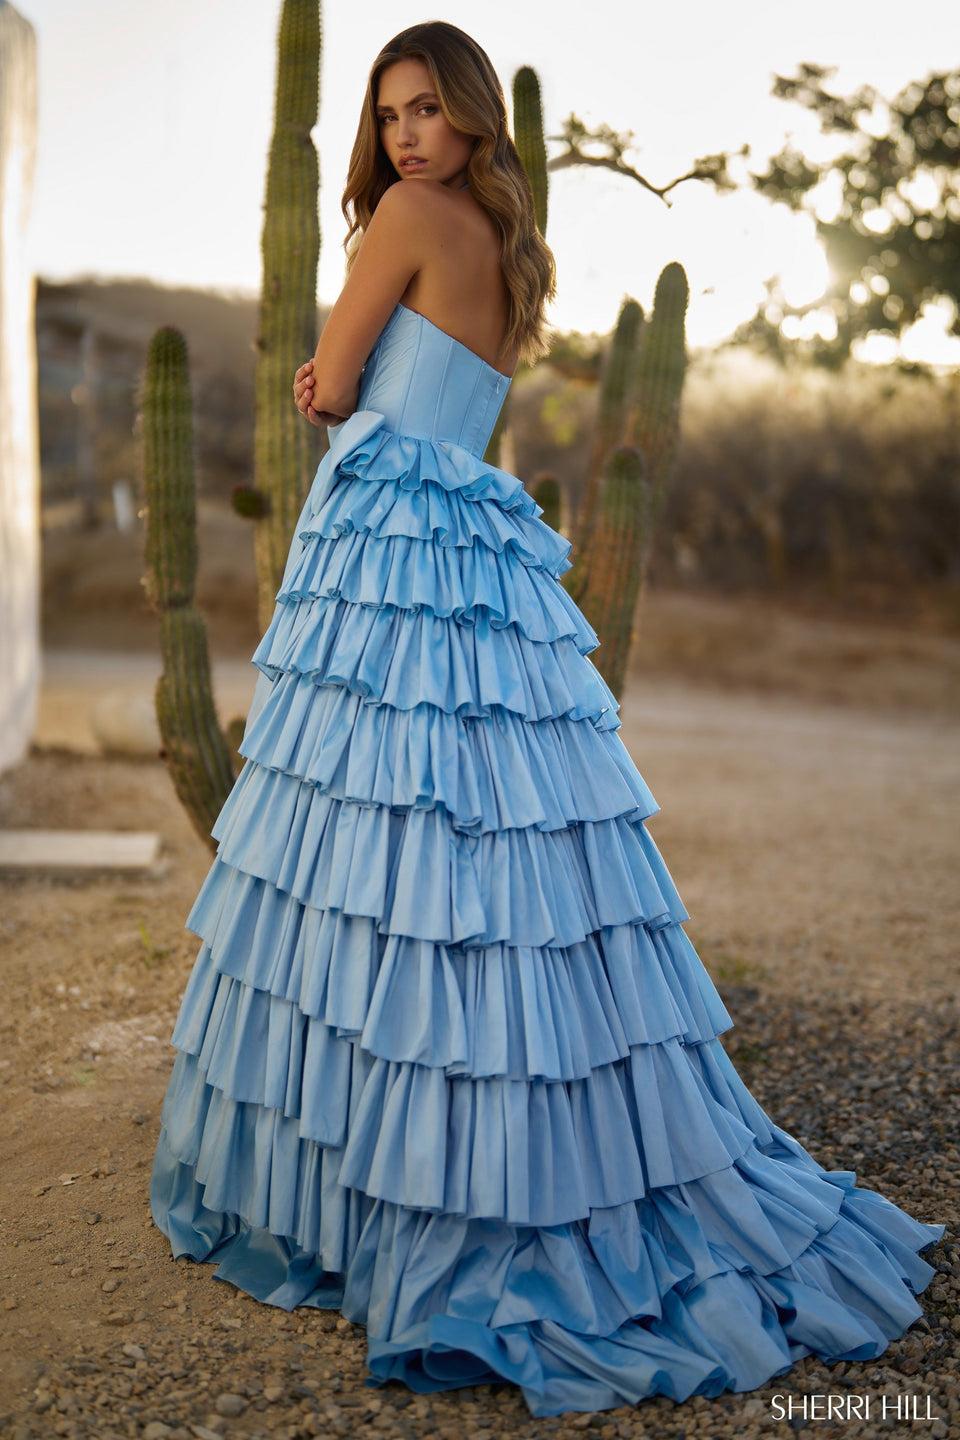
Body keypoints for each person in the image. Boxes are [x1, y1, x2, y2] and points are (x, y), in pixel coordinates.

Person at [150, 20, 946, 1419]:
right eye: (388, 115)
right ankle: (509, 1127)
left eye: (425, 109)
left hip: (389, 540)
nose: (405, 136)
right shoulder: (511, 253)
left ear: (471, 116)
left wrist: (319, 385)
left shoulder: (404, 222)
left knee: (374, 829)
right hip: (470, 541)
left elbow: (336, 382)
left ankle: (374, 1165)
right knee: (487, 834)